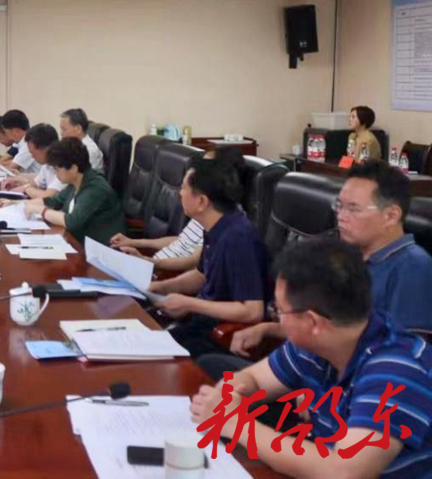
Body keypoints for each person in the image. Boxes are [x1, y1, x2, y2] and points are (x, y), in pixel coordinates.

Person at [190, 238, 432, 478]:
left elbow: (343, 471)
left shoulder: (398, 371)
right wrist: (226, 396)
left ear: (312, 322)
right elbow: (255, 378)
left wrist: (236, 424)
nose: (277, 318)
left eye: (279, 310)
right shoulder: (316, 343)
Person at [208, 159, 432, 376]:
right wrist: (268, 329)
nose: (341, 217)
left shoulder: (413, 267)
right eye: (339, 206)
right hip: (301, 365)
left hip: (349, 385)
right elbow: (322, 327)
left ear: (391, 215)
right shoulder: (344, 254)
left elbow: (404, 358)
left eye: (353, 209)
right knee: (212, 366)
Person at [148, 157, 271, 358]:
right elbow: (202, 276)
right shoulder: (215, 227)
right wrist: (160, 287)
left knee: (152, 356)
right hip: (199, 321)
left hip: (219, 335)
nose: (179, 193)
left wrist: (189, 304)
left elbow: (252, 311)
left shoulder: (239, 238)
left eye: (184, 188)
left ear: (202, 201)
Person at [109, 148, 243, 274]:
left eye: (206, 165)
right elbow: (182, 240)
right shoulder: (204, 208)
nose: (198, 169)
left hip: (167, 274)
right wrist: (133, 242)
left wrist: (147, 262)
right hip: (156, 266)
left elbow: (193, 263)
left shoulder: (221, 218)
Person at [21, 138, 125, 243]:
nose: (56, 174)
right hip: (77, 240)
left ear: (73, 168)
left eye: (57, 169)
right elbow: (53, 201)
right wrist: (22, 205)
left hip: (98, 247)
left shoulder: (95, 188)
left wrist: (41, 211)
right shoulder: (75, 182)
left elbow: (72, 221)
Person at [0, 123, 64, 199]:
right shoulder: (47, 165)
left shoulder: (63, 166)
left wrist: (26, 188)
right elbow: (36, 182)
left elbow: (48, 197)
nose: (32, 157)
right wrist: (16, 180)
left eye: (33, 153)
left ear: (46, 149)